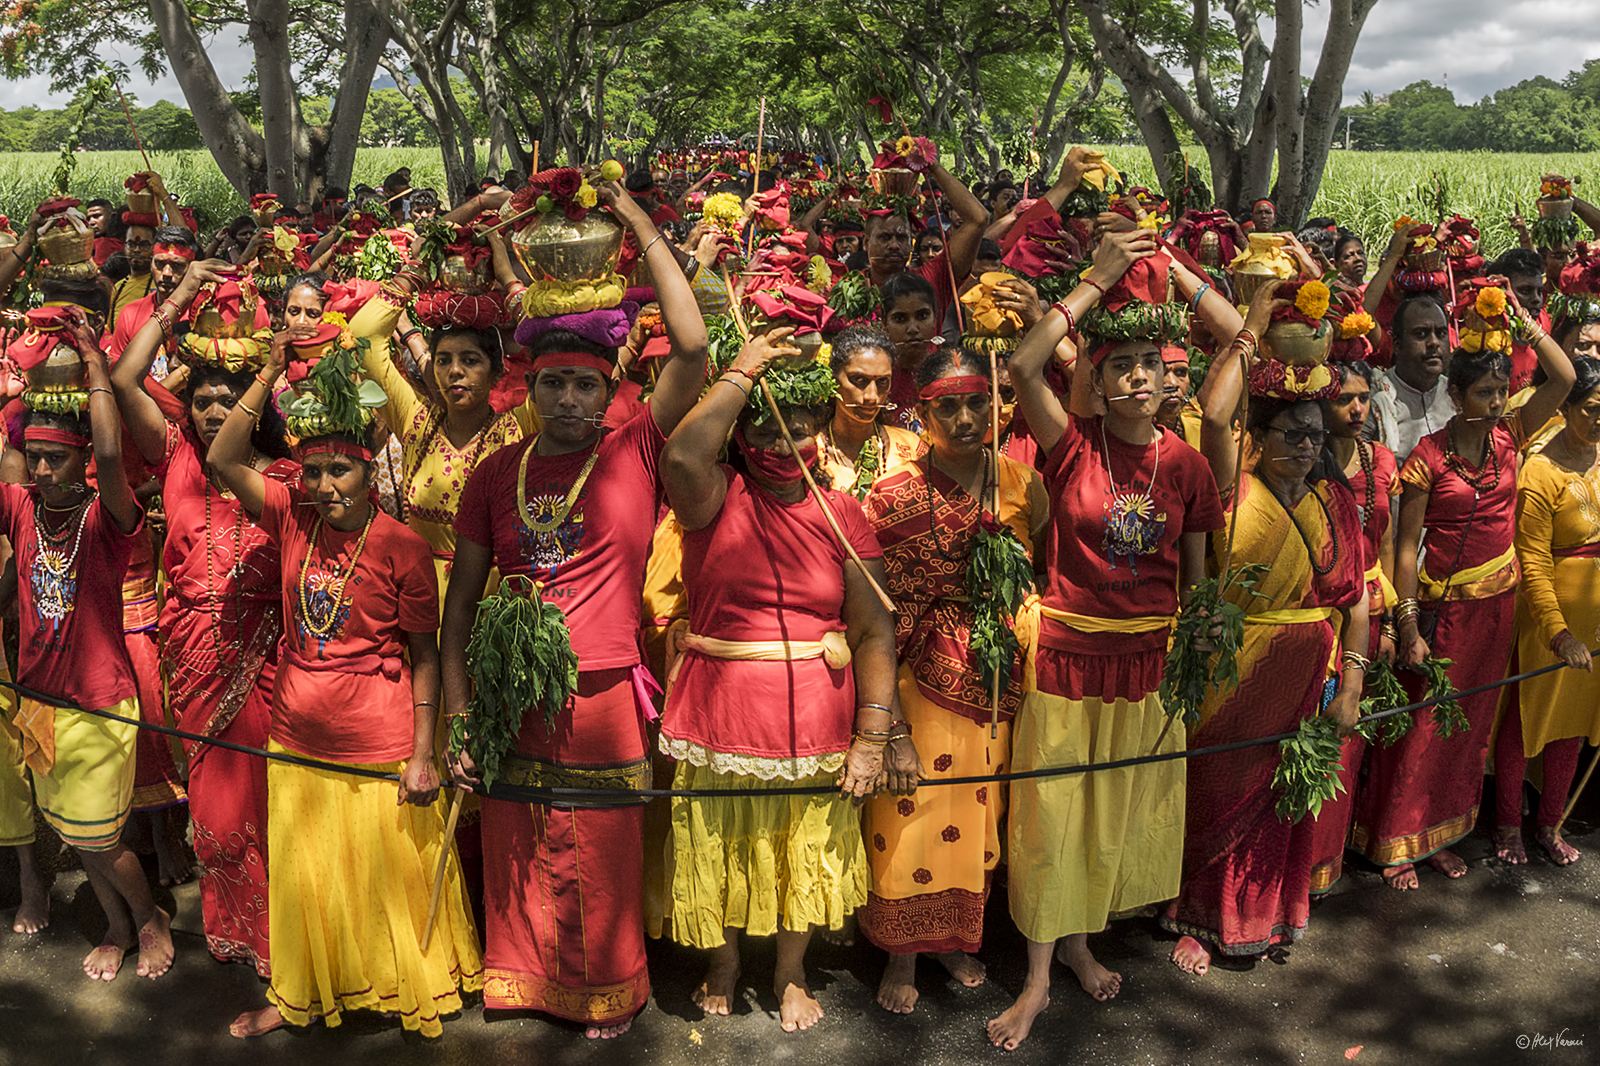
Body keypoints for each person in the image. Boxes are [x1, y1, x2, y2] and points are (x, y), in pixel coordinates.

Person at [443, 176, 708, 1039]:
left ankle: (607, 990)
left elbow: (696, 349)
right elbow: (459, 612)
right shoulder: (495, 472)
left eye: (584, 387)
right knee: (520, 844)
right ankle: (522, 982)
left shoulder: (635, 449)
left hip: (601, 697)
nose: (567, 402)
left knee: (599, 853)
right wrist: (456, 721)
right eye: (552, 385)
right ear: (528, 389)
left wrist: (634, 222)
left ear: (608, 392)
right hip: (507, 695)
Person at [987, 232, 1232, 1048]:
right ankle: (1034, 981)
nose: (1136, 378)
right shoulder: (1072, 447)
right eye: (1118, 365)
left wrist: (1198, 651)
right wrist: (1092, 283)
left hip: (1148, 662)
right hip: (1065, 655)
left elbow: (1192, 580)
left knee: (1111, 810)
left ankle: (1084, 948)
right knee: (1054, 816)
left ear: (1169, 377)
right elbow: (1025, 368)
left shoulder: (1189, 467)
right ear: (1095, 377)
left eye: (1149, 366)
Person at [213, 328, 481, 1039]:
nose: (327, 486)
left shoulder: (404, 546)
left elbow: (425, 655)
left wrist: (425, 754)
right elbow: (221, 456)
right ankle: (299, 991)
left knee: (383, 876)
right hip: (297, 734)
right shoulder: (293, 516)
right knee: (307, 877)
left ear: (370, 472)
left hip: (380, 738)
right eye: (315, 470)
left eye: (342, 471)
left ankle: (397, 985)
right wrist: (269, 370)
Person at [655, 324, 917, 1034]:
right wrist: (745, 367)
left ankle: (791, 970)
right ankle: (724, 963)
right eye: (762, 433)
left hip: (818, 718)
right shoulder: (713, 498)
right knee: (720, 838)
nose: (779, 447)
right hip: (720, 712)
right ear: (738, 439)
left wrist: (874, 736)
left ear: (820, 437)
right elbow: (680, 450)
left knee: (805, 840)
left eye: (796, 432)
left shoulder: (844, 514)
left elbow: (871, 631)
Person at [1161, 279, 1369, 975]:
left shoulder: (1335, 501)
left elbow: (1358, 602)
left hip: (1310, 670)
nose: (1307, 447)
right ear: (1264, 432)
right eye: (1293, 433)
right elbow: (1217, 419)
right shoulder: (1235, 487)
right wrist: (1250, 327)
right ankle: (1197, 917)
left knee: (1284, 797)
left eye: (1316, 435)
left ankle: (1271, 911)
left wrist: (1352, 690)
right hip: (1234, 666)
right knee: (1217, 789)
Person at [109, 261, 295, 974]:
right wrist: (180, 297)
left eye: (232, 400)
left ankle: (291, 940)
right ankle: (240, 933)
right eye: (207, 402)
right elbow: (125, 379)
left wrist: (271, 369)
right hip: (192, 656)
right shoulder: (178, 459)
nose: (217, 412)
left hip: (270, 664)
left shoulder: (283, 477)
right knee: (216, 816)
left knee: (276, 805)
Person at [1354, 305, 1575, 890]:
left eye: (1503, 390)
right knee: (1422, 725)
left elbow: (1565, 378)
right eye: (1484, 391)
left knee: (1469, 726)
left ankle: (1441, 836)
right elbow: (1406, 548)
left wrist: (1523, 324)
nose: (1497, 401)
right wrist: (1408, 626)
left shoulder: (1511, 439)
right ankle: (1395, 842)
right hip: (1441, 612)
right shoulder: (1427, 459)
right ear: (1456, 393)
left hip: (1499, 606)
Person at [860, 346, 1047, 1014]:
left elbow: (1038, 567)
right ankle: (901, 952)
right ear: (922, 412)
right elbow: (877, 607)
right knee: (910, 811)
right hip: (918, 674)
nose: (965, 418)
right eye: (948, 406)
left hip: (997, 672)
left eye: (977, 401)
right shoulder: (890, 496)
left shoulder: (1022, 483)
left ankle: (952, 938)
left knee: (978, 813)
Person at [0, 307, 173, 981]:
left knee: (100, 836)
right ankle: (116, 924)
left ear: (82, 463)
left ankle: (150, 916)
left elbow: (109, 454)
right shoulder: (20, 512)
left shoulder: (108, 519)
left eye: (56, 458)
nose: (43, 470)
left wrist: (96, 368)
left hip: (100, 703)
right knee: (75, 833)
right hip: (39, 701)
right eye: (35, 457)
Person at [1495, 357, 1600, 866]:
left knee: (1574, 725)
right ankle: (1507, 825)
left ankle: (1550, 822)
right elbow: (1532, 559)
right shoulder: (1539, 470)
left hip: (1596, 623)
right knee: (1526, 721)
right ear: (1568, 408)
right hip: (1547, 618)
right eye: (1592, 410)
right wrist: (1557, 632)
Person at [1308, 362, 1400, 894]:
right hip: (1322, 609)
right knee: (1311, 733)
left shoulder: (1381, 459)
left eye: (1364, 398)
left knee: (1349, 740)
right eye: (1345, 398)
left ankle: (1324, 866)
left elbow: (1385, 545)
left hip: (1371, 606)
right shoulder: (1305, 463)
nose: (1357, 409)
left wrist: (1395, 621)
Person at [817, 326, 923, 497]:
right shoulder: (811, 452)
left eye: (882, 382)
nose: (872, 396)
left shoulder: (912, 447)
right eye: (859, 379)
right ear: (832, 380)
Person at [1368, 294, 1455, 461]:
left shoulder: (1457, 395)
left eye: (1441, 333)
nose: (1434, 343)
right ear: (1398, 345)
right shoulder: (1377, 401)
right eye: (1421, 334)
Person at [880, 272, 942, 430]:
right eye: (900, 319)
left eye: (922, 316)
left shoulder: (947, 372)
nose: (913, 329)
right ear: (884, 324)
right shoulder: (877, 378)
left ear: (935, 318)